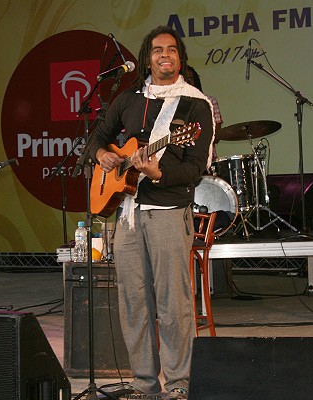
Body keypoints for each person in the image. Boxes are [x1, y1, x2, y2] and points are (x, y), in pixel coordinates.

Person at [86, 26, 216, 398]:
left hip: (169, 210)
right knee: (133, 301)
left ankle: (178, 384)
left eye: (172, 50)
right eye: (158, 50)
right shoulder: (128, 99)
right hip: (128, 214)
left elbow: (195, 168)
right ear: (147, 59)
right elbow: (95, 137)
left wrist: (158, 174)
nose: (165, 55)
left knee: (173, 302)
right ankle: (144, 383)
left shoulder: (195, 105)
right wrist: (103, 155)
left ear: (180, 58)